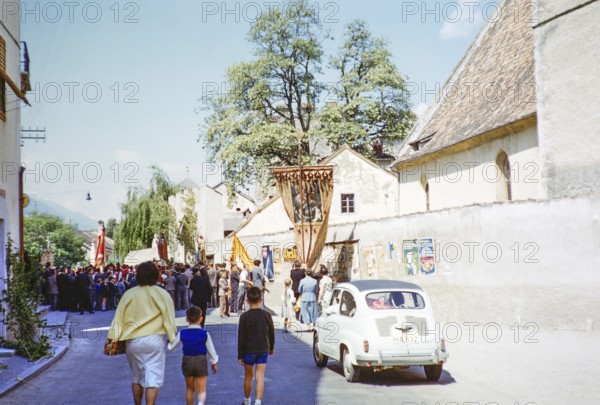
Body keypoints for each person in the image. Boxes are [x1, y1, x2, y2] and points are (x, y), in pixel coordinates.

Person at [107, 261, 176, 405]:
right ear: (156, 275)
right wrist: (172, 337)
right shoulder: (162, 293)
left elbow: (119, 318)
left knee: (136, 376)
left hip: (133, 341)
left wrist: (113, 338)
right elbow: (169, 318)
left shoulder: (129, 294)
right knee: (153, 377)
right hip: (155, 339)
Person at [168, 306, 218, 405]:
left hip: (187, 360)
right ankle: (200, 403)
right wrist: (214, 363)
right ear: (201, 318)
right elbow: (211, 351)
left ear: (186, 319)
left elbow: (172, 347)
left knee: (190, 389)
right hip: (201, 360)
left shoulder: (182, 333)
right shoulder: (205, 334)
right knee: (202, 390)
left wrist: (169, 344)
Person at [238, 287, 275, 405]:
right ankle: (258, 402)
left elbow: (241, 337)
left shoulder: (244, 317)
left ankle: (247, 400)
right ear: (261, 300)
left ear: (247, 301)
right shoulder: (267, 315)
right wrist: (271, 347)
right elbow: (271, 333)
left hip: (248, 350)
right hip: (263, 348)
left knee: (248, 376)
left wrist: (240, 354)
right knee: (260, 376)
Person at [298, 267, 318, 331]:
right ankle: (312, 325)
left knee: (305, 312)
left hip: (304, 297)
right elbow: (316, 290)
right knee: (313, 311)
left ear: (305, 273)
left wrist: (302, 293)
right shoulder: (315, 281)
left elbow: (299, 290)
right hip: (312, 297)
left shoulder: (302, 281)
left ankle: (309, 325)